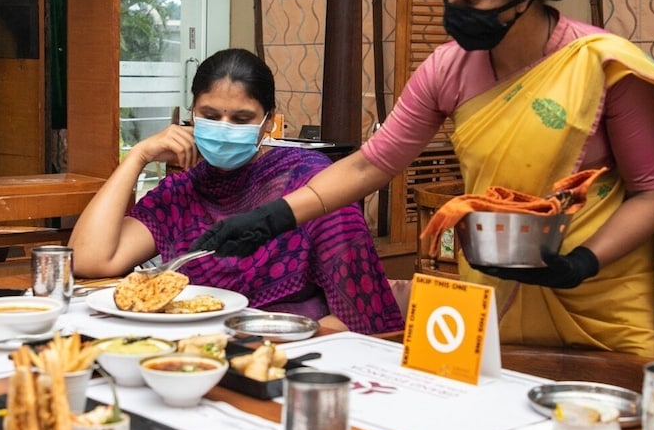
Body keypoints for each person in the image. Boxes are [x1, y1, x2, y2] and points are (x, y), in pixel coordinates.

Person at [190, 0, 654, 365]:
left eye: (470, 3)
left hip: (599, 294)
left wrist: (583, 262)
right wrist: (274, 216)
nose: (454, 16)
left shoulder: (605, 67)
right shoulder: (447, 68)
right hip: (491, 284)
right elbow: (372, 164)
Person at [69, 48, 404, 335]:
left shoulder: (311, 183)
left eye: (242, 119)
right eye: (210, 115)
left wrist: (262, 345)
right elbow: (88, 259)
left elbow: (361, 315)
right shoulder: (183, 194)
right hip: (197, 352)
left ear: (268, 121)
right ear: (192, 115)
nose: (224, 128)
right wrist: (138, 156)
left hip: (293, 351)